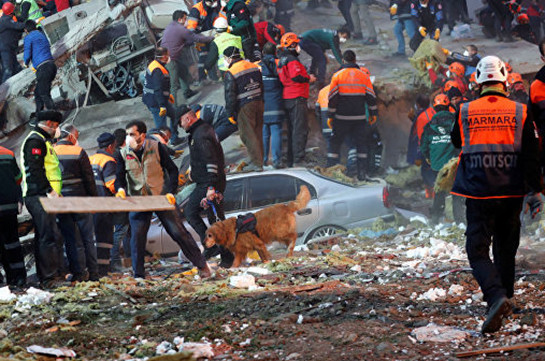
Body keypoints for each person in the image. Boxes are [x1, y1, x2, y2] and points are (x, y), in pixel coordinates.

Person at [451, 55, 542, 334]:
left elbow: (457, 141)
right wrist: (535, 190)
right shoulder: (520, 111)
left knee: (477, 250)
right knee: (506, 247)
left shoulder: (465, 110)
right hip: (511, 191)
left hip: (479, 192)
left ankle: (495, 297)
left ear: (478, 80)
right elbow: (531, 154)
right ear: (504, 79)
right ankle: (506, 299)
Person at [114, 120, 211, 279]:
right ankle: (139, 275)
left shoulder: (157, 147)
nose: (128, 138)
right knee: (137, 238)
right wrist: (120, 190)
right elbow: (119, 177)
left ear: (142, 135)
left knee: (178, 232)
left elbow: (172, 170)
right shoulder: (122, 153)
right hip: (139, 201)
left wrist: (170, 191)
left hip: (160, 197)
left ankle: (202, 266)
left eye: (132, 134)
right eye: (127, 135)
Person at [178, 105, 234, 267]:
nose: (181, 127)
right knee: (213, 220)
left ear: (188, 118)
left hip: (209, 183)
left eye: (180, 123)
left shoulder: (201, 134)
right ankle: (220, 251)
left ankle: (217, 249)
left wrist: (211, 187)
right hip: (206, 181)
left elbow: (211, 161)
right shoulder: (201, 130)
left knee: (205, 217)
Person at [21, 110, 65, 289]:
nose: (57, 130)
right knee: (48, 236)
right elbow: (35, 169)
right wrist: (49, 191)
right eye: (55, 126)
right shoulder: (35, 141)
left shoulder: (42, 140)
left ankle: (50, 275)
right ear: (50, 124)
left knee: (46, 236)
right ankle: (48, 278)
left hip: (44, 196)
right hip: (38, 195)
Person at [54, 124, 100, 281]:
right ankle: (93, 273)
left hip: (61, 202)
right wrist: (93, 200)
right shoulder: (78, 151)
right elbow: (89, 179)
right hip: (80, 200)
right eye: (77, 136)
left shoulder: (51, 151)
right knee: (88, 238)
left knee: (70, 238)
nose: (77, 139)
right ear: (71, 136)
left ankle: (77, 273)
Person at [326, 50, 377, 180]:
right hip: (359, 118)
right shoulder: (364, 76)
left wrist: (330, 116)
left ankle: (331, 172)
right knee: (361, 146)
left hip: (341, 118)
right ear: (355, 60)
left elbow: (332, 98)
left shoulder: (337, 76)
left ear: (343, 60)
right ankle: (361, 174)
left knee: (335, 144)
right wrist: (373, 114)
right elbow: (371, 97)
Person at [419, 94, 463, 224]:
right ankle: (460, 221)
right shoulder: (455, 122)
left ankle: (435, 219)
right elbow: (461, 142)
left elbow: (424, 146)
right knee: (456, 193)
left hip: (437, 165)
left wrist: (428, 158)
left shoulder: (429, 127)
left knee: (439, 192)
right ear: (448, 105)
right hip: (454, 164)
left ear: (434, 108)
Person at [223, 45, 264, 171]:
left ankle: (257, 163)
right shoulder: (253, 65)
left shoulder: (231, 72)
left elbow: (230, 95)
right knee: (257, 133)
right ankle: (258, 158)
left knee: (248, 135)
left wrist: (230, 113)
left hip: (245, 106)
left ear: (229, 58)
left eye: (225, 58)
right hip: (259, 102)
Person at [277, 32, 314, 167]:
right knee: (300, 129)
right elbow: (296, 76)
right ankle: (299, 160)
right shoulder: (292, 60)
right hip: (297, 97)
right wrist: (309, 78)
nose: (299, 47)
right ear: (292, 45)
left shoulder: (282, 59)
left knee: (293, 130)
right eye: (297, 44)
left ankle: (291, 160)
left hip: (288, 97)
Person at [161, 10, 209, 104]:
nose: (187, 20)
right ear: (179, 19)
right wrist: (211, 37)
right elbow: (196, 38)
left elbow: (182, 41)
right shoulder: (180, 29)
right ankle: (174, 108)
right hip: (170, 59)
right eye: (185, 18)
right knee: (174, 85)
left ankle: (187, 92)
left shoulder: (171, 26)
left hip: (171, 56)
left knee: (183, 71)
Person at [89, 133, 120, 272]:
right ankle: (103, 268)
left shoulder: (90, 159)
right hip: (104, 205)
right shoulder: (109, 161)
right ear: (110, 146)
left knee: (93, 238)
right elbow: (111, 184)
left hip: (91, 206)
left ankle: (93, 267)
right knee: (105, 239)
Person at [142, 47, 183, 146]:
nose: (169, 56)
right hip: (155, 102)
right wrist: (162, 106)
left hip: (158, 99)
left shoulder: (154, 64)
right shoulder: (158, 70)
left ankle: (174, 138)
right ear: (164, 56)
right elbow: (157, 89)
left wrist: (167, 96)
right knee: (161, 129)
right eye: (168, 54)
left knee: (174, 115)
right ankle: (164, 150)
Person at [0, 145, 27, 288]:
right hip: (9, 206)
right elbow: (18, 177)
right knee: (13, 243)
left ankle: (4, 282)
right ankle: (18, 278)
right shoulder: (8, 153)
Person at [259, 42, 285, 169]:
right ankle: (276, 160)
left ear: (263, 52)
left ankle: (263, 160)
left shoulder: (257, 66)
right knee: (276, 131)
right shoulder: (279, 63)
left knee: (264, 133)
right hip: (276, 102)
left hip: (262, 104)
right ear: (275, 52)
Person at [23, 20, 57, 113]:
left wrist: (25, 63)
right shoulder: (41, 34)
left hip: (43, 68)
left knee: (44, 94)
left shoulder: (28, 37)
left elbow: (27, 54)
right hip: (52, 66)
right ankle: (38, 114)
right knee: (37, 93)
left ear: (26, 30)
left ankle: (55, 115)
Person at [187, 0, 222, 82]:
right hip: (199, 36)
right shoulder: (196, 9)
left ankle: (213, 77)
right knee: (203, 56)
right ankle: (202, 79)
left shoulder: (213, 7)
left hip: (210, 35)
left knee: (211, 55)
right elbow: (191, 29)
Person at [111, 128, 131, 270]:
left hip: (119, 198)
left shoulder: (114, 154)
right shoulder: (120, 155)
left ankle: (130, 258)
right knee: (121, 231)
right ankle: (115, 261)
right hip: (122, 198)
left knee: (127, 230)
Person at [0, 2, 24, 83]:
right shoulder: (6, 20)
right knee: (8, 70)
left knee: (16, 67)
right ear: (11, 11)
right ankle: (3, 92)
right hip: (6, 49)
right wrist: (29, 24)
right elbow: (18, 26)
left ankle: (23, 81)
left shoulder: (4, 19)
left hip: (9, 48)